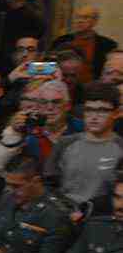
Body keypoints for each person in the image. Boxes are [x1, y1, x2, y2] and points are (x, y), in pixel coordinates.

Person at [45, 82, 123, 217]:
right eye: (89, 110)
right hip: (63, 219)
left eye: (102, 110)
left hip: (102, 222)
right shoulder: (65, 143)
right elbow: (48, 185)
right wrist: (65, 210)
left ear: (116, 113)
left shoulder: (121, 148)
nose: (94, 116)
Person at [51, 6, 119, 84]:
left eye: (85, 17)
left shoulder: (108, 45)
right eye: (77, 17)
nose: (80, 21)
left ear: (95, 21)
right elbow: (50, 66)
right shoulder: (60, 41)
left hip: (94, 89)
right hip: (63, 85)